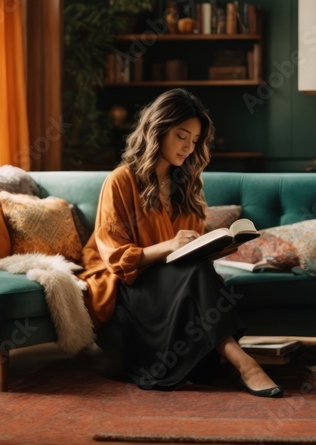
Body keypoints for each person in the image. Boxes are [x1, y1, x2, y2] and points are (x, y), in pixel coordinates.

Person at [76, 88, 282, 397]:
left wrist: (216, 248)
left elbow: (186, 253)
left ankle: (239, 361)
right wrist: (169, 246)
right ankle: (245, 364)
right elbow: (116, 258)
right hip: (128, 287)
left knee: (200, 272)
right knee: (199, 276)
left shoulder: (186, 187)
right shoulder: (121, 180)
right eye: (181, 136)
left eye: (195, 140)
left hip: (174, 284)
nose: (188, 147)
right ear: (158, 130)